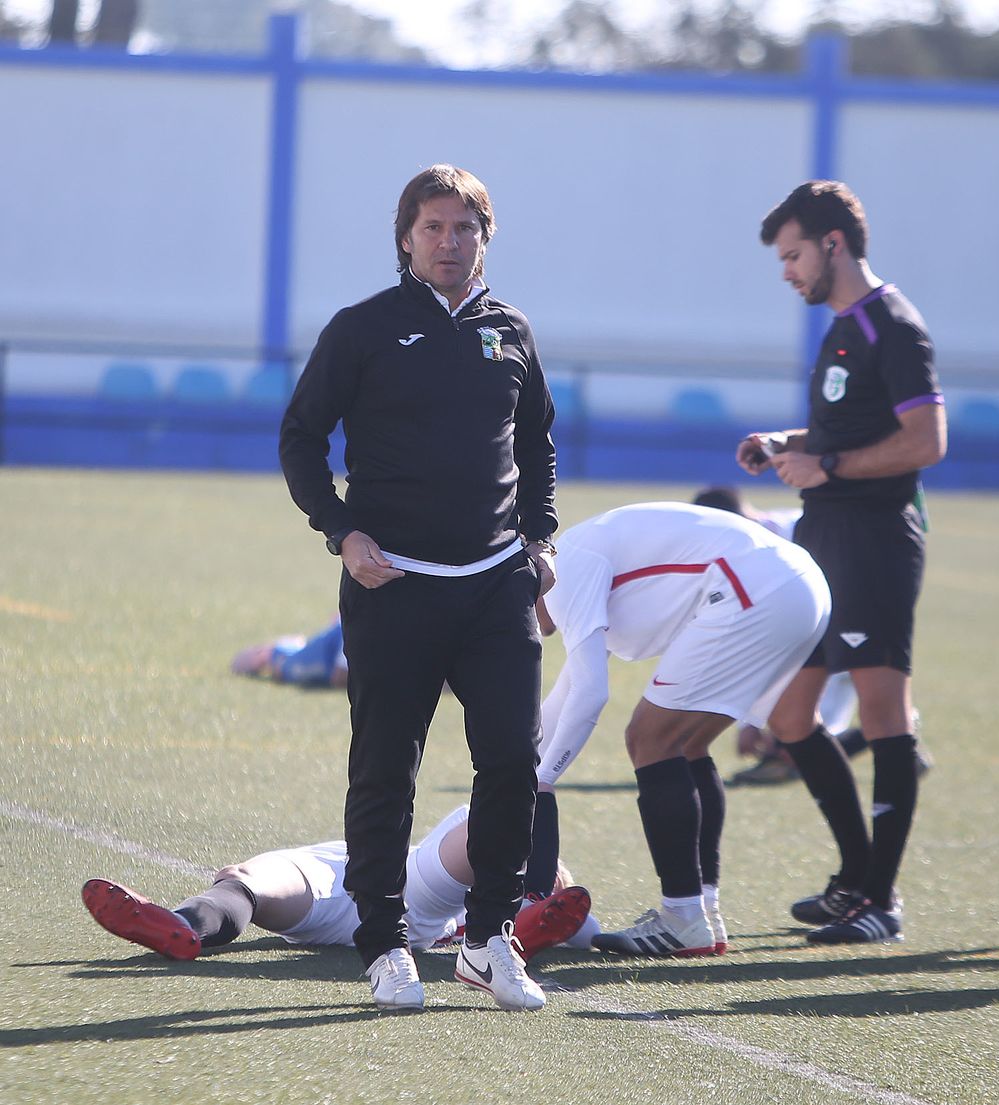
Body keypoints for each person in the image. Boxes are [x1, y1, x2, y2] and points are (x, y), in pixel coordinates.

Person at [279, 164, 557, 1011]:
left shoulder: (511, 329)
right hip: (393, 581)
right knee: (386, 766)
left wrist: (539, 539)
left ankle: (487, 939)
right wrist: (342, 531)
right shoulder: (362, 328)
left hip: (494, 586)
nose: (449, 242)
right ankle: (384, 943)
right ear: (406, 237)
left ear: (485, 238)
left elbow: (539, 443)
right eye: (433, 227)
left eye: (464, 228)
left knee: (513, 759)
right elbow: (301, 436)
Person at [736, 180, 945, 944]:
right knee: (791, 716)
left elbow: (925, 442)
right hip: (826, 544)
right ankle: (856, 879)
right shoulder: (840, 325)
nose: (786, 270)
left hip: (876, 544)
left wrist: (829, 469)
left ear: (833, 243)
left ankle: (880, 902)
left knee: (885, 715)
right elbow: (848, 428)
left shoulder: (894, 324)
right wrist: (787, 444)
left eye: (793, 254)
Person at [531, 501, 830, 957]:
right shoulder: (565, 561)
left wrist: (543, 780)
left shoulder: (564, 568)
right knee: (688, 745)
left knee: (650, 738)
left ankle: (682, 917)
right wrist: (520, 767)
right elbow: (567, 693)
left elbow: (591, 695)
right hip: (798, 583)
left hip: (757, 587)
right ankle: (703, 912)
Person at [80, 806, 597, 986]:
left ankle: (186, 925)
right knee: (499, 811)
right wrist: (557, 891)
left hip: (364, 889)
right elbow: (572, 901)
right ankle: (516, 930)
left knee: (244, 884)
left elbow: (571, 903)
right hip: (389, 886)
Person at [690, 486, 935, 787]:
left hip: (846, 626)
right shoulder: (768, 534)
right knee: (801, 728)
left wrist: (752, 720)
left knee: (808, 734)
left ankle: (894, 733)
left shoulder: (793, 530)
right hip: (821, 634)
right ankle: (891, 737)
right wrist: (751, 720)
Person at [231, 616, 347, 687]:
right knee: (284, 666)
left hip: (335, 647)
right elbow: (339, 677)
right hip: (333, 647)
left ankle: (294, 643)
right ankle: (265, 652)